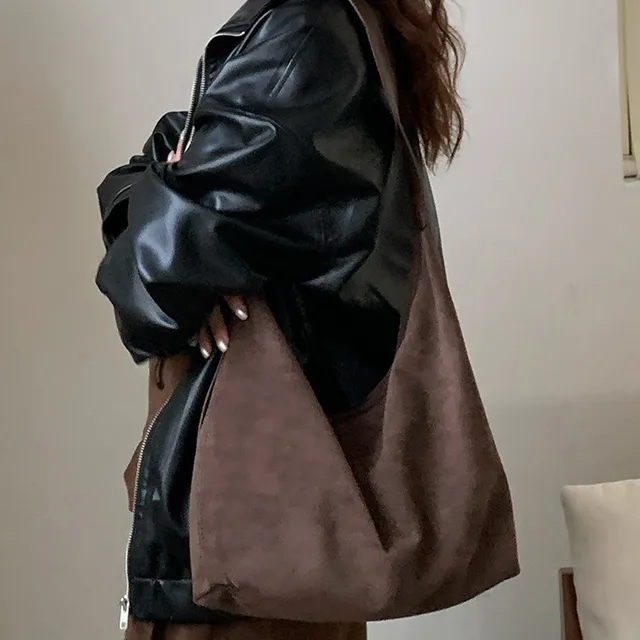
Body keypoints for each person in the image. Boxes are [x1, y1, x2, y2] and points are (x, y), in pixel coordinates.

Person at [96, 0, 464, 638]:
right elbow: (169, 195)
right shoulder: (328, 29)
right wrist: (166, 201)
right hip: (273, 537)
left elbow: (158, 274)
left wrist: (162, 206)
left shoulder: (303, 32)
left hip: (237, 547)